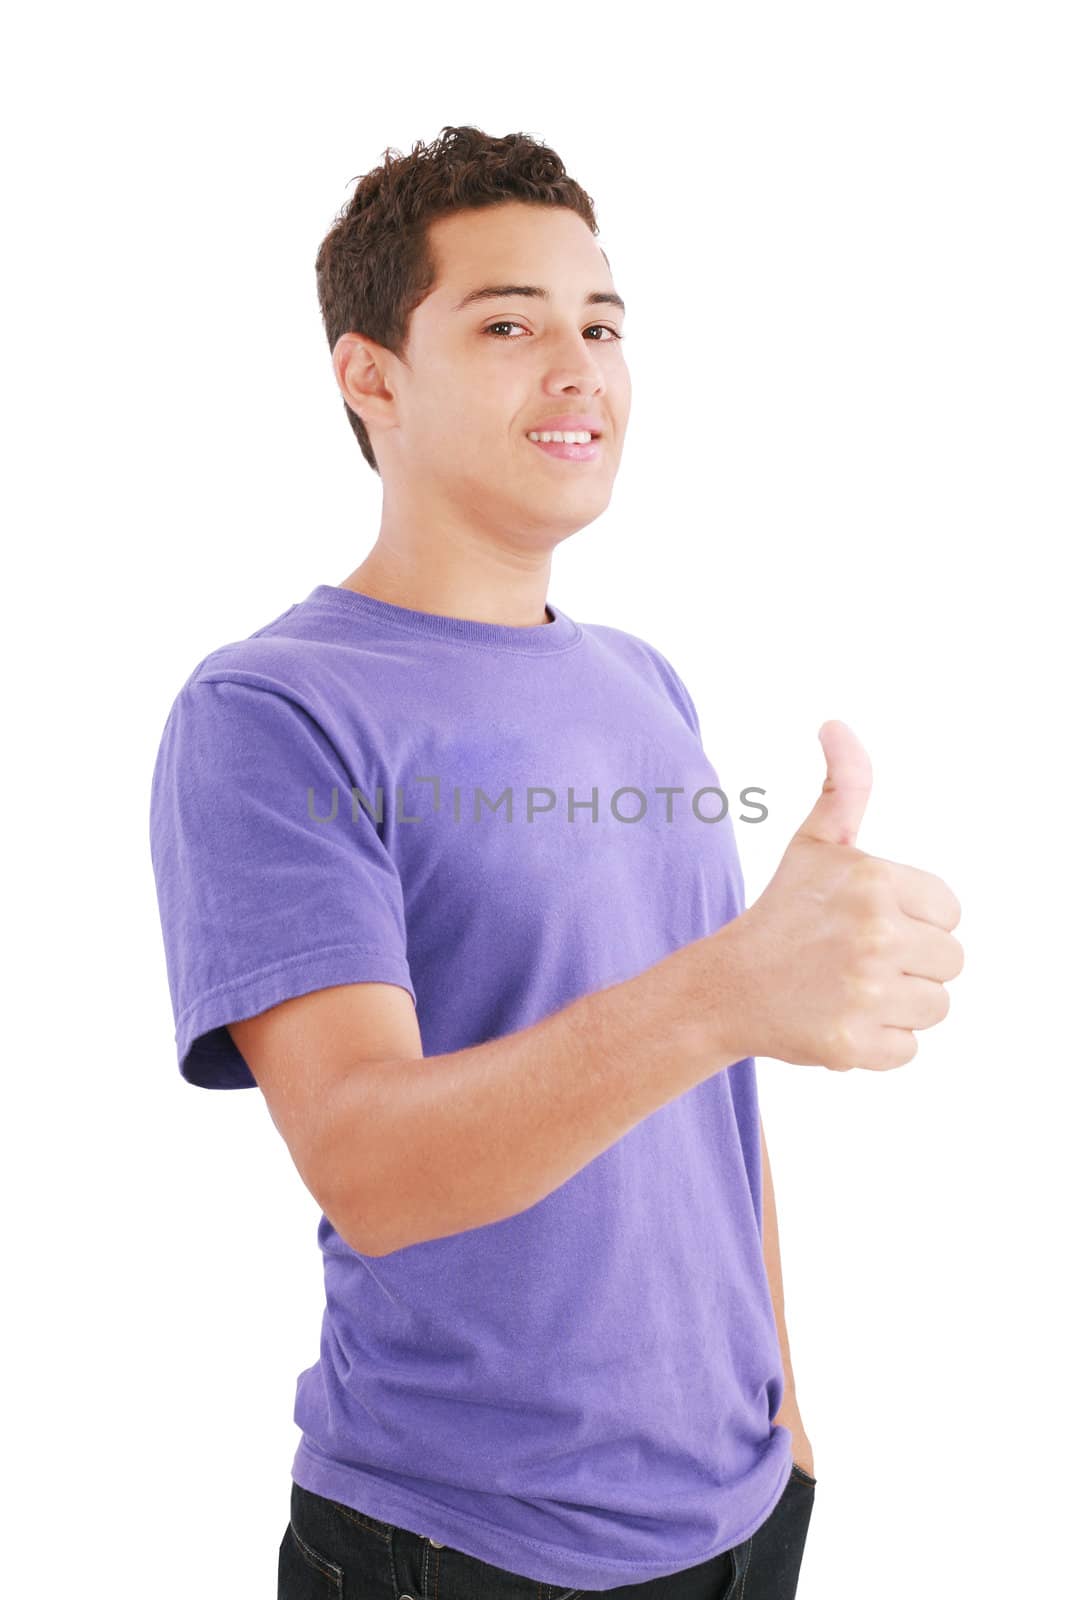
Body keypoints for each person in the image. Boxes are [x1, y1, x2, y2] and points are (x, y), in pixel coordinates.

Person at [148, 125, 964, 1600]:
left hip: (740, 1514)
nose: (577, 366)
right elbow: (369, 1161)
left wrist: (786, 1420)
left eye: (602, 325)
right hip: (463, 1545)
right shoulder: (272, 712)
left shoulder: (644, 682)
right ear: (370, 376)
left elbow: (714, 1098)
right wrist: (730, 989)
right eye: (510, 324)